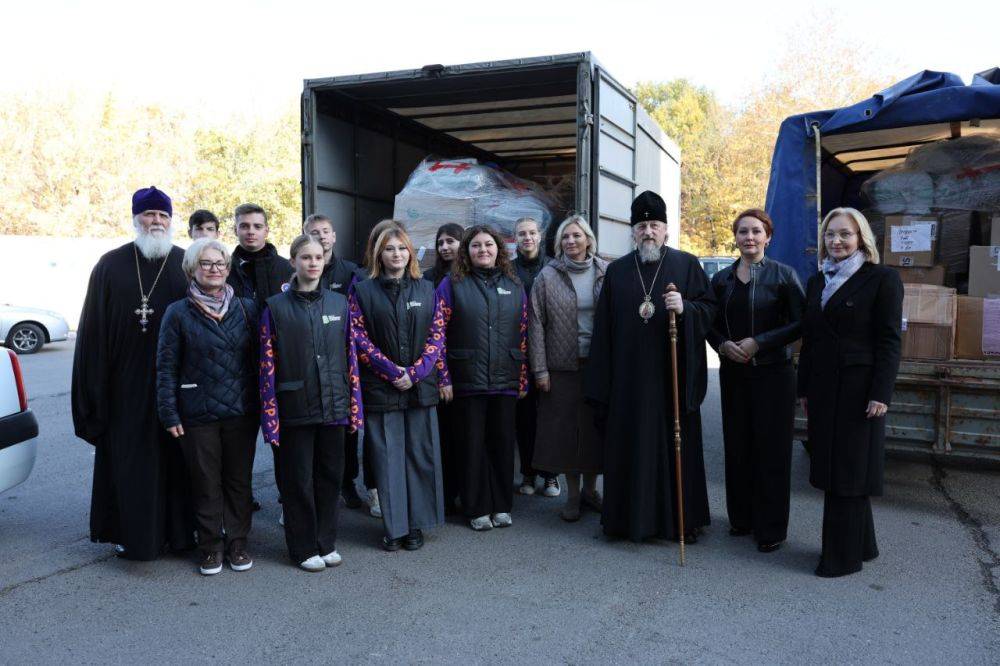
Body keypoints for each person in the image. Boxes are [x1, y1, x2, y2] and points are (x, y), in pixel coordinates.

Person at [584, 190, 716, 544]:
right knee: (629, 448)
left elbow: (710, 312)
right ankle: (628, 522)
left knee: (676, 448)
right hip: (627, 382)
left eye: (654, 225)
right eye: (641, 226)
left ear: (666, 231)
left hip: (671, 379)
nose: (648, 232)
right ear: (633, 232)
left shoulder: (687, 265)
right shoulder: (616, 271)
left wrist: (686, 307)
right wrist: (602, 384)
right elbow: (604, 331)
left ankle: (678, 522)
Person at [72, 186, 195, 560]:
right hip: (125, 386)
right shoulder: (109, 265)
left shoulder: (186, 262)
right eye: (149, 214)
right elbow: (92, 332)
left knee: (177, 460)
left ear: (170, 221)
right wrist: (93, 393)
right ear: (135, 218)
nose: (156, 221)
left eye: (162, 215)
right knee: (131, 462)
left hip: (174, 384)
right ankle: (131, 534)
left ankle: (180, 534)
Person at [798, 207, 902, 578]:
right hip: (825, 392)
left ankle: (841, 559)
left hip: (861, 393)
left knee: (848, 470)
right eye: (830, 235)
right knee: (836, 466)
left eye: (845, 234)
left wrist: (881, 393)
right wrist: (804, 387)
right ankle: (864, 544)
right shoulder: (817, 281)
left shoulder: (882, 279)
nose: (837, 241)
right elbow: (811, 340)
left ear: (861, 239)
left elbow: (890, 341)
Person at [259, 234, 363, 571]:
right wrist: (271, 420)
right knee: (297, 481)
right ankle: (303, 547)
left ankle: (326, 542)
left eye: (318, 257)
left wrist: (354, 408)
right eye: (306, 257)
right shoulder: (275, 307)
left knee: (330, 478)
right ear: (293, 262)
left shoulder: (339, 304)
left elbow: (351, 360)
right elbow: (266, 366)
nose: (313, 263)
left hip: (334, 407)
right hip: (294, 409)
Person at [156, 238, 259, 575]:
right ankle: (211, 547)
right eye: (206, 263)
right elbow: (166, 366)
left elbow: (262, 360)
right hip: (197, 413)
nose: (214, 269)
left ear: (228, 269)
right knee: (205, 482)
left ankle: (239, 545)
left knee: (239, 482)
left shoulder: (246, 307)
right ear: (192, 269)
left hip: (241, 411)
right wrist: (168, 411)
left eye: (220, 264)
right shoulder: (178, 312)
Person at [707, 209, 805, 553]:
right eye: (743, 231)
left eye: (756, 231)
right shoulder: (722, 280)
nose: (749, 237)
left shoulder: (784, 276)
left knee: (772, 450)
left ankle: (771, 528)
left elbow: (800, 323)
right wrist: (722, 344)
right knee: (738, 445)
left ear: (768, 237)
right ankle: (741, 518)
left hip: (774, 373)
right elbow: (709, 322)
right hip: (734, 372)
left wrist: (759, 342)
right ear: (735, 237)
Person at [350, 225, 446, 550]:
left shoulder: (427, 289)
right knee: (388, 459)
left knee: (419, 456)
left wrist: (416, 373)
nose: (397, 255)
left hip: (420, 389)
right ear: (379, 253)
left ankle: (416, 525)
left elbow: (437, 336)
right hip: (382, 388)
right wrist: (392, 372)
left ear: (410, 253)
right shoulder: (363, 292)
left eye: (402, 249)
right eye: (390, 249)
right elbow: (358, 338)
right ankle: (395, 527)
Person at [436, 225, 528, 531]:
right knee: (471, 446)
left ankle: (501, 505)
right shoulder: (452, 284)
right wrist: (443, 376)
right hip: (467, 379)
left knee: (502, 445)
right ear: (467, 251)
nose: (483, 250)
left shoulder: (514, 283)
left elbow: (524, 332)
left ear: (499, 250)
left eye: (489, 245)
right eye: (476, 246)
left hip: (506, 377)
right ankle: (476, 507)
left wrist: (523, 376)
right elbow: (437, 334)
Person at [528, 214, 608, 521]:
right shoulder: (548, 276)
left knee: (593, 432)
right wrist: (540, 370)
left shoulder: (605, 271)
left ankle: (591, 491)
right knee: (565, 434)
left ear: (588, 239)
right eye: (565, 237)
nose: (571, 241)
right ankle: (572, 496)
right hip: (561, 368)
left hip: (597, 365)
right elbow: (536, 325)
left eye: (577, 236)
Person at [227, 202, 292, 518]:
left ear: (267, 230)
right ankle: (240, 503)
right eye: (244, 226)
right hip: (236, 373)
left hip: (279, 372)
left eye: (256, 226)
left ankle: (287, 502)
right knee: (238, 447)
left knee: (285, 446)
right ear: (236, 229)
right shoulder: (222, 268)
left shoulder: (285, 269)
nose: (250, 231)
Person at [512, 217, 559, 498]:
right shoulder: (508, 269)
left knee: (550, 417)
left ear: (540, 236)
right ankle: (528, 474)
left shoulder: (553, 268)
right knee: (525, 418)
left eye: (531, 233)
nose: (527, 238)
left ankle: (551, 476)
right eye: (521, 234)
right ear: (515, 239)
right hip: (518, 355)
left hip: (549, 353)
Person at [423, 222, 464, 513]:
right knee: (445, 437)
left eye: (451, 241)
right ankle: (445, 495)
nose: (445, 247)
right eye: (441, 242)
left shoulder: (469, 277)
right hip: (440, 366)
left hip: (466, 366)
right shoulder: (429, 279)